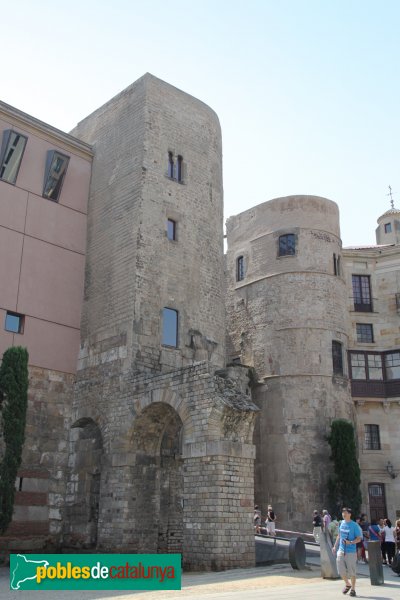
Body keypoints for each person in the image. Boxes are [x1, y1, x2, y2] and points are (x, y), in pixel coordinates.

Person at [332, 507, 362, 597]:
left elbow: (359, 539)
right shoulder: (341, 523)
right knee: (340, 570)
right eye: (342, 513)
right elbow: (339, 535)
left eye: (345, 512)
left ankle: (353, 589)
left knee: (352, 571)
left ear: (350, 514)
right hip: (341, 550)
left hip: (351, 552)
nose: (343, 514)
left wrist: (351, 542)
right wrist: (335, 546)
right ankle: (347, 584)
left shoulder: (354, 525)